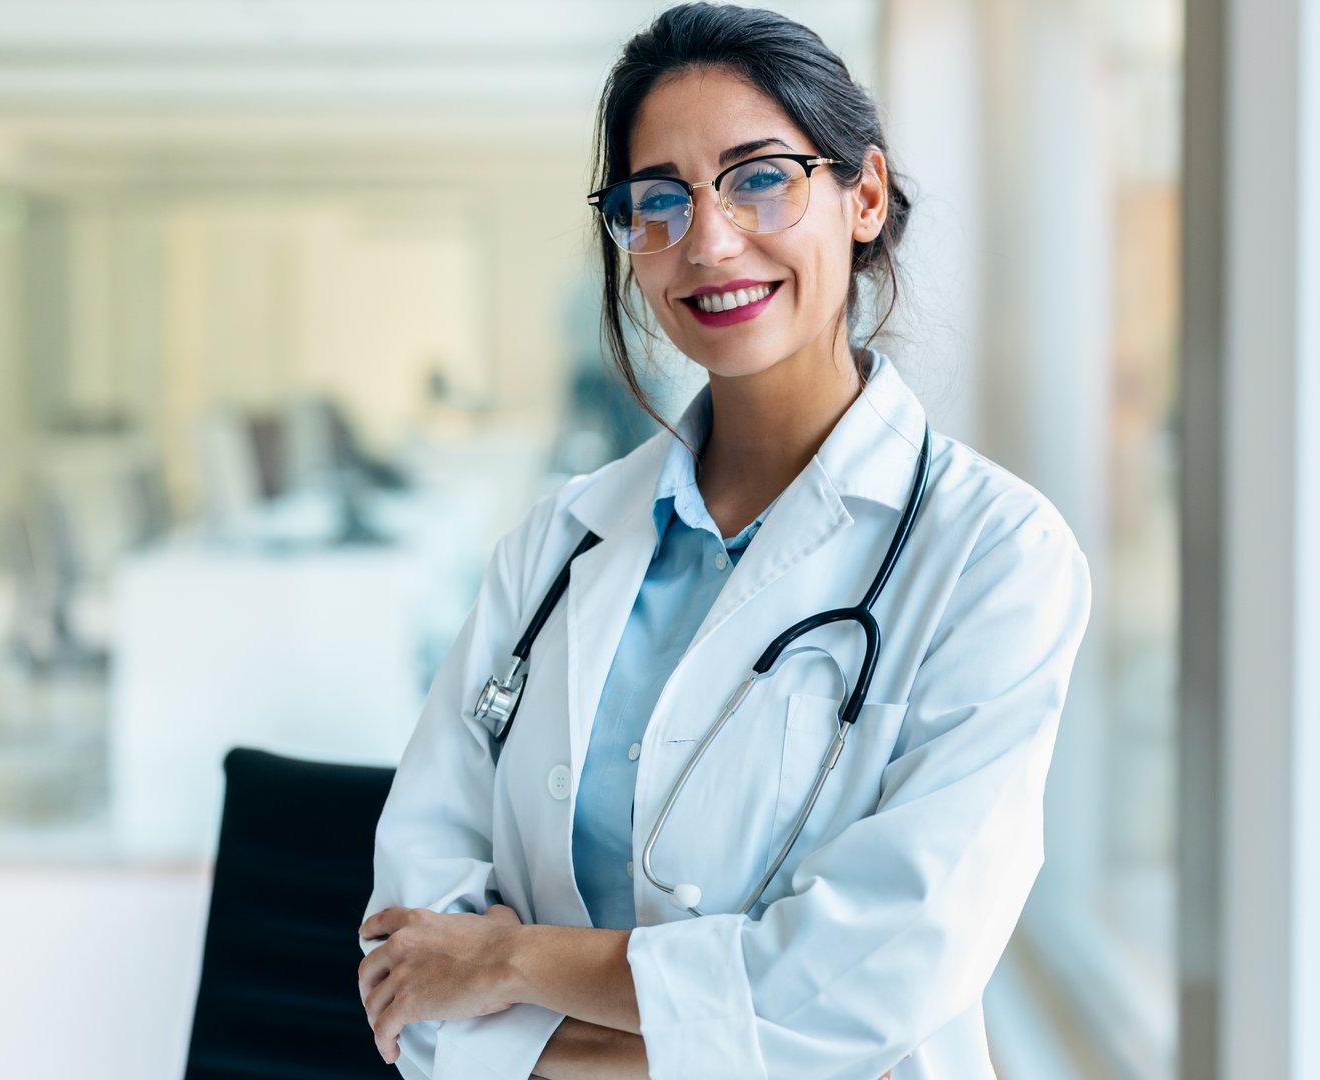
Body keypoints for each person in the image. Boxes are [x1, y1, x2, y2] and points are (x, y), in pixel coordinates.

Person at [356, 4, 1092, 1078]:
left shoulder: (994, 555)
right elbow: (410, 953)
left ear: (865, 195)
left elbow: (873, 980)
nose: (706, 241)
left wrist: (514, 964)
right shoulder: (556, 546)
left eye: (759, 178)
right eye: (658, 200)